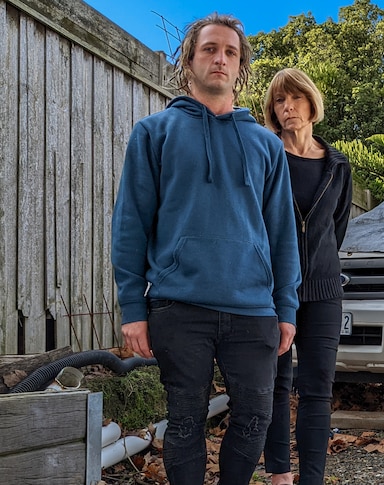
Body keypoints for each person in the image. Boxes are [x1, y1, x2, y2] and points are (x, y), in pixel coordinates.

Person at [110, 13, 301, 485]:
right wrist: (133, 307)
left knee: (256, 416)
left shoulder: (265, 145)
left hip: (253, 307)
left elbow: (282, 233)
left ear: (241, 67)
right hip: (179, 304)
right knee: (185, 420)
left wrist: (287, 307)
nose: (220, 59)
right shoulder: (154, 133)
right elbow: (130, 225)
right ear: (189, 60)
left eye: (230, 52)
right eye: (210, 49)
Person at [261, 68, 353, 485]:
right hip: (272, 293)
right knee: (275, 387)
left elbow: (336, 227)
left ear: (311, 104)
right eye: (279, 101)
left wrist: (316, 265)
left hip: (323, 292)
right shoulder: (266, 156)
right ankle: (279, 474)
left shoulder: (338, 165)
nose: (287, 108)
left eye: (294, 99)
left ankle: (311, 479)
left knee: (317, 388)